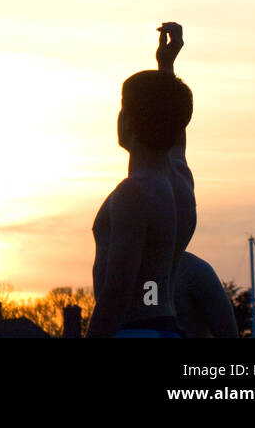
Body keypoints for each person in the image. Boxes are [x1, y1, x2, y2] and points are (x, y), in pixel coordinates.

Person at [87, 66, 193, 337]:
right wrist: (166, 69)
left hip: (136, 330)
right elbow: (173, 120)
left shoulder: (134, 192)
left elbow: (117, 293)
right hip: (166, 326)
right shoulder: (180, 180)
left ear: (129, 120)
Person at [157, 22, 238, 338]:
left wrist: (166, 67)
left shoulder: (193, 275)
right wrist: (165, 67)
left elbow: (169, 142)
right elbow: (166, 143)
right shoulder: (142, 272)